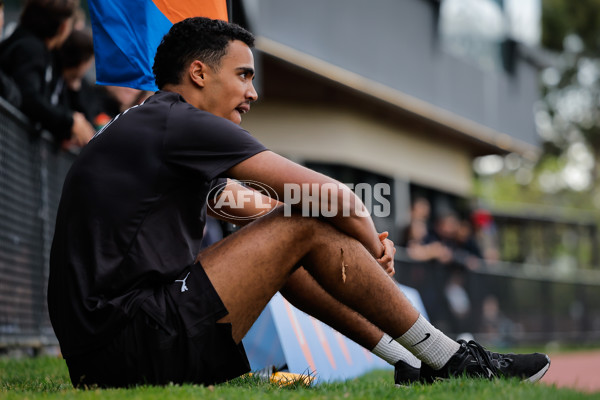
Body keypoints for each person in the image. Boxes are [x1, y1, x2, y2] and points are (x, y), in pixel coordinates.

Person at [48, 17, 550, 388]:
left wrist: (346, 237)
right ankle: (452, 359)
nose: (254, 92)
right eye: (243, 75)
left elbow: (258, 212)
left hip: (108, 350)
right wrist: (368, 241)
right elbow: (329, 196)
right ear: (199, 73)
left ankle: (410, 361)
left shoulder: (154, 126)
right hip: (128, 343)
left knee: (292, 237)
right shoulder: (179, 121)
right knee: (305, 221)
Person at [0, 0, 93, 147]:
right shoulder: (30, 48)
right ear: (63, 27)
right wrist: (70, 122)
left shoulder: (45, 53)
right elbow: (29, 97)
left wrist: (64, 130)